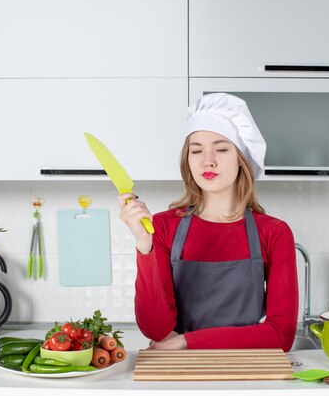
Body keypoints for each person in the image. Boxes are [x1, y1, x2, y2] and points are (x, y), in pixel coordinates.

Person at [118, 93, 299, 351]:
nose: (207, 160)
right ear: (187, 160)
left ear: (242, 158)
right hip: (179, 374)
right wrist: (144, 245)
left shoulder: (274, 233)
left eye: (222, 149)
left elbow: (281, 335)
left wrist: (185, 341)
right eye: (196, 150)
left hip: (248, 371)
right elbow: (156, 329)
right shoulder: (162, 226)